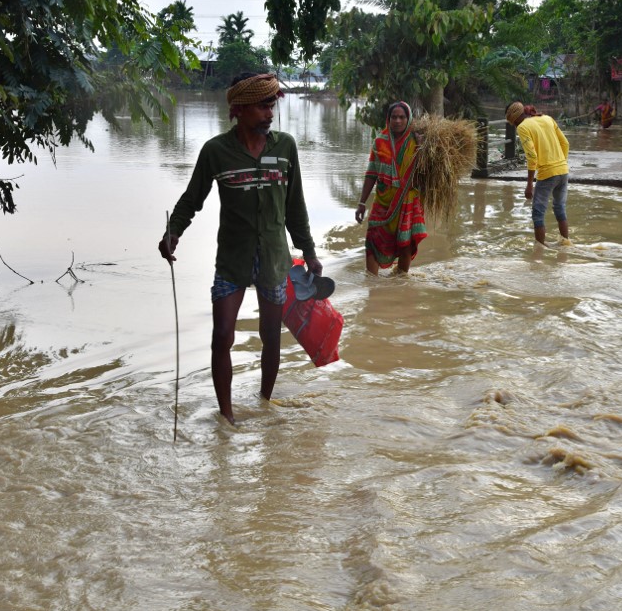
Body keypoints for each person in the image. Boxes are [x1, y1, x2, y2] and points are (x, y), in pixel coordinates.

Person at [159, 72, 322, 424]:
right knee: (222, 336)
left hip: (275, 260)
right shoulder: (216, 152)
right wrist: (173, 232)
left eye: (272, 105)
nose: (270, 113)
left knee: (271, 338)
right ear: (240, 109)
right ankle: (227, 417)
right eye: (263, 106)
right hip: (232, 259)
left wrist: (308, 252)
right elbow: (192, 200)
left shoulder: (285, 147)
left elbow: (296, 207)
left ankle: (265, 403)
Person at [354, 101, 427, 275]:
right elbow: (371, 173)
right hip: (383, 200)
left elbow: (427, 171)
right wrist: (362, 202)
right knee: (372, 240)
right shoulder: (380, 141)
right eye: (394, 117)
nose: (397, 121)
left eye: (402, 117)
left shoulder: (417, 141)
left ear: (408, 119)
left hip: (408, 200)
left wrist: (423, 147)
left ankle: (400, 283)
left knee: (405, 243)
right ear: (388, 119)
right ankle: (371, 283)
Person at [505, 101, 571, 246]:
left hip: (547, 174)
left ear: (515, 119)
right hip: (563, 171)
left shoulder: (523, 127)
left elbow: (532, 156)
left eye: (512, 123)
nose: (514, 126)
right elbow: (565, 143)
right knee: (560, 208)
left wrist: (529, 184)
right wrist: (560, 163)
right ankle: (566, 244)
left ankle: (539, 254)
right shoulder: (548, 119)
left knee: (538, 213)